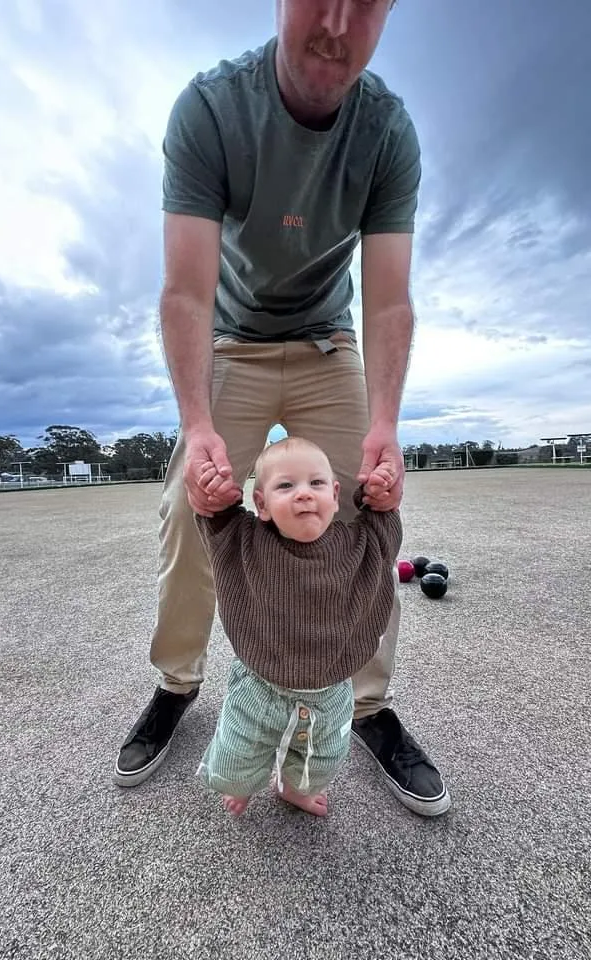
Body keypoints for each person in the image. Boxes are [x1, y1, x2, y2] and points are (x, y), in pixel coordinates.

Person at [113, 0, 452, 817]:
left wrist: (385, 425)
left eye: (366, 1)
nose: (337, 20)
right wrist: (197, 428)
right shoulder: (212, 108)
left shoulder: (387, 133)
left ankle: (365, 704)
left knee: (362, 505)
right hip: (231, 341)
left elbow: (391, 300)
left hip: (329, 342)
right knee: (189, 508)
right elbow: (187, 293)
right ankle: (177, 682)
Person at [194, 436, 402, 817]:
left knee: (318, 764)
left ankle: (293, 789)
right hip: (259, 687)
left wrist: (380, 497)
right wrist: (218, 498)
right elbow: (218, 523)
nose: (304, 494)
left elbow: (383, 531)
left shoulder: (357, 544)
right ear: (262, 504)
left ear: (336, 495)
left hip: (331, 693)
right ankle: (244, 783)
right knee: (234, 760)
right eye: (286, 486)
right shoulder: (247, 541)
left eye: (316, 483)